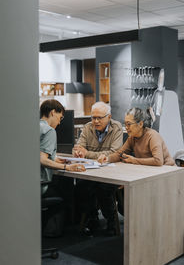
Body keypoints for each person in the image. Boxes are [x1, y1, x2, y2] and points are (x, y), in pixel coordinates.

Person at [73, 101, 123, 236]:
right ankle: (92, 218)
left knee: (104, 187)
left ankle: (111, 220)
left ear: (109, 116)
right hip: (92, 170)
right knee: (81, 185)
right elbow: (78, 148)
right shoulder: (87, 127)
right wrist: (77, 152)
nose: (95, 121)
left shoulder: (117, 127)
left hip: (112, 171)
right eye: (93, 117)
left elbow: (114, 153)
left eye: (99, 118)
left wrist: (87, 153)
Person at [98, 107, 175, 166]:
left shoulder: (152, 136)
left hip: (167, 172)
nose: (126, 127)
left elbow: (158, 161)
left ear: (140, 124)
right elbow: (119, 154)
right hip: (150, 171)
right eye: (125, 124)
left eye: (129, 124)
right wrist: (107, 158)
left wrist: (134, 160)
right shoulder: (132, 137)